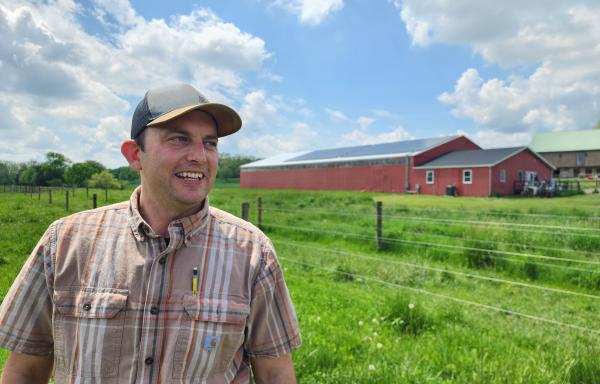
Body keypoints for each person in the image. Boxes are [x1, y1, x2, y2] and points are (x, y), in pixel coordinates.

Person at [0, 84, 301, 383]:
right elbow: (25, 370)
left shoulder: (252, 251)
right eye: (179, 139)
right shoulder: (64, 242)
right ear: (134, 155)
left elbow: (275, 373)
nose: (199, 156)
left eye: (210, 143)